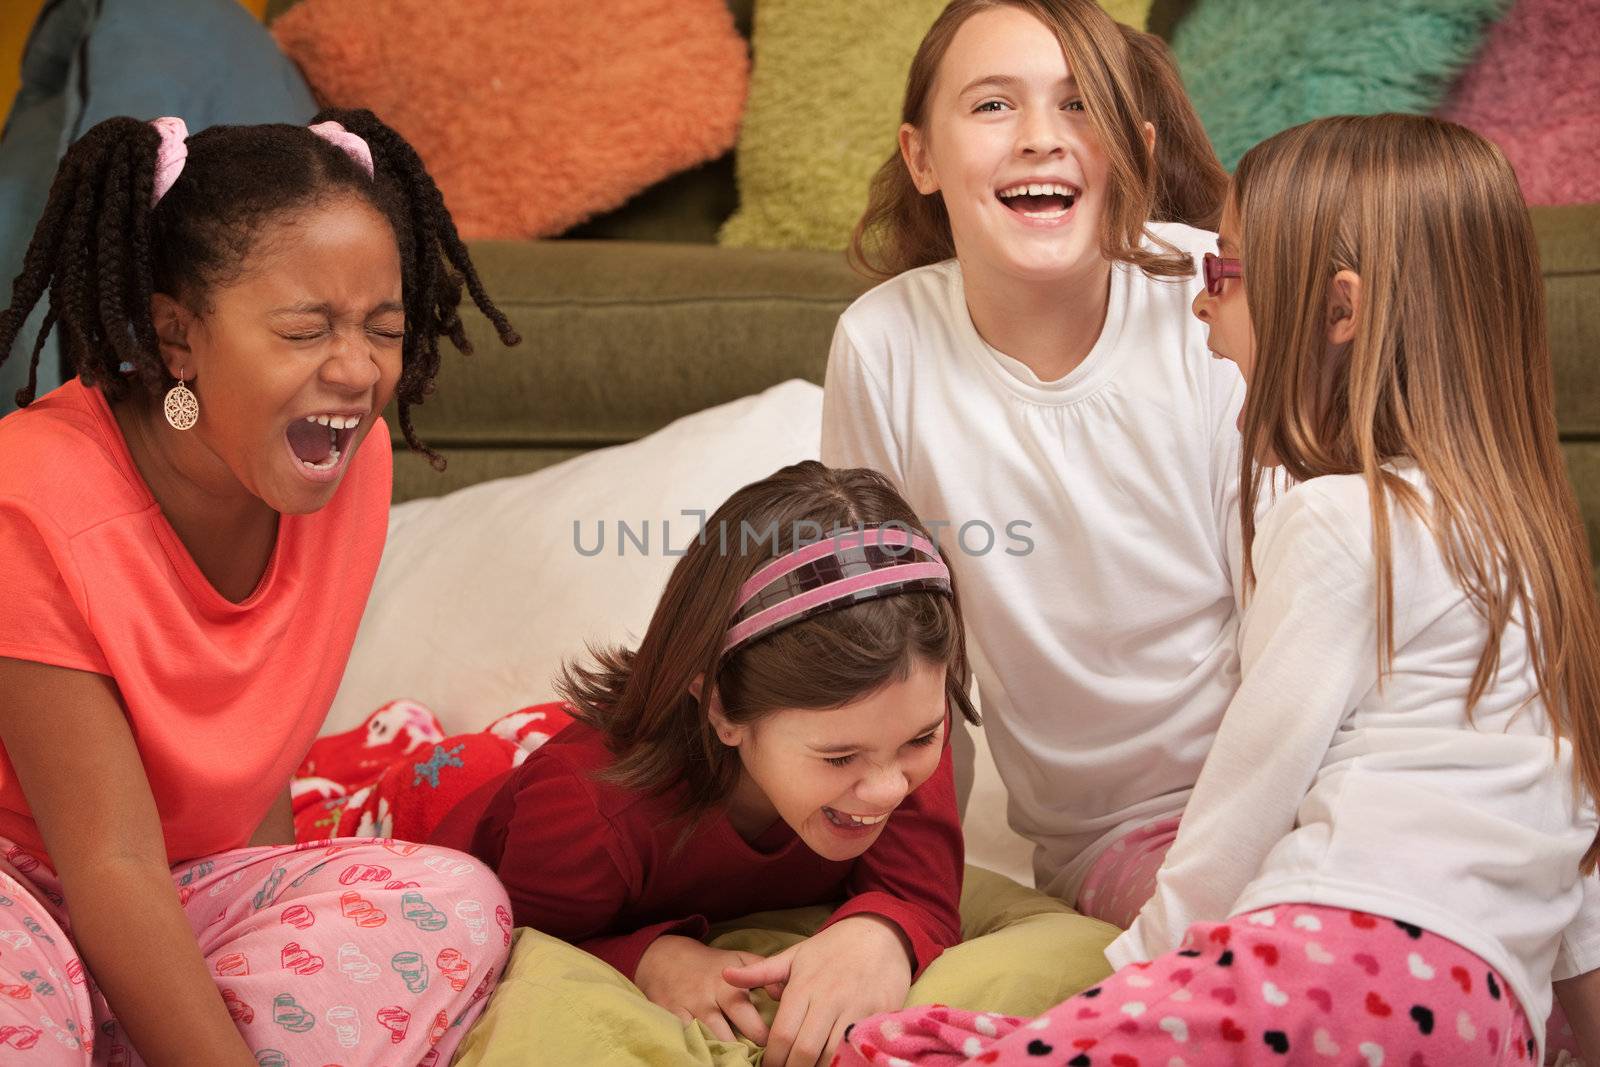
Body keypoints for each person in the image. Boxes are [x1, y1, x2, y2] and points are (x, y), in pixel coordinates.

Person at [835, 113, 1600, 1065]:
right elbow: (1576, 844)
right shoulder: (1525, 540)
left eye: (1226, 272)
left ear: (1340, 311)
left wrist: (1138, 975)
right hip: (1487, 1013)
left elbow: (1246, 801)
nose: (1202, 304)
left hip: (1333, 961)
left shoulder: (1333, 523)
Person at [0, 110, 520, 1064]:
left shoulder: (344, 466)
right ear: (178, 337)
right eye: (304, 329)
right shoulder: (29, 501)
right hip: (24, 894)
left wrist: (283, 908)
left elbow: (253, 746)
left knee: (454, 898)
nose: (357, 371)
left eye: (385, 328)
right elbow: (109, 862)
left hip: (176, 888)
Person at [821, 0, 1239, 931]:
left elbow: (1312, 604)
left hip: (1312, 770)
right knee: (1261, 949)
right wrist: (897, 911)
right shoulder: (884, 346)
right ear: (921, 157)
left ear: (1132, 149)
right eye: (993, 106)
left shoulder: (1219, 297)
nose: (1042, 139)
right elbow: (895, 651)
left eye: (1079, 104)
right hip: (1123, 835)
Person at [428, 461, 981, 1067]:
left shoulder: (896, 731)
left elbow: (921, 895)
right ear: (722, 708)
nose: (884, 789)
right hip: (460, 810)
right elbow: (509, 943)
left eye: (922, 739)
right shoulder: (587, 811)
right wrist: (647, 958)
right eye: (839, 756)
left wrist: (882, 933)